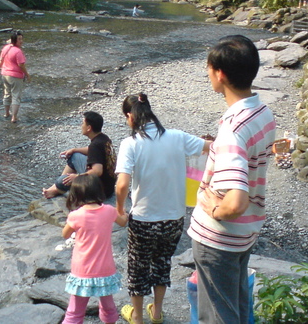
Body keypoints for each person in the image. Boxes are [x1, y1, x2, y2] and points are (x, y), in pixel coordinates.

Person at [187, 35, 276, 323]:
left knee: (217, 317)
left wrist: (214, 209)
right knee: (236, 307)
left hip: (219, 238)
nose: (207, 74)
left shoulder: (232, 130)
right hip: (245, 233)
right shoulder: (263, 112)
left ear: (220, 74)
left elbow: (235, 201)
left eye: (208, 69)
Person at [115, 94, 210, 324]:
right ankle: (156, 313)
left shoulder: (131, 143)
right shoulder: (177, 137)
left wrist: (119, 211)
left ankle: (137, 317)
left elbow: (122, 184)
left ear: (130, 116)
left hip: (144, 219)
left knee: (138, 266)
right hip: (174, 217)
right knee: (162, 262)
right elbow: (210, 147)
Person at [61, 174, 128, 324]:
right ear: (99, 190)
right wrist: (125, 212)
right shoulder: (109, 211)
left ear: (77, 194)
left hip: (82, 269)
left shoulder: (75, 215)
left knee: (75, 310)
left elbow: (65, 234)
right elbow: (123, 221)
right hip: (105, 268)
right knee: (108, 307)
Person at [42, 111, 116, 199]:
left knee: (60, 182)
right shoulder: (104, 138)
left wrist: (77, 177)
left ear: (89, 128)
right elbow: (93, 151)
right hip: (108, 187)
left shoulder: (95, 145)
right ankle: (55, 188)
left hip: (100, 191)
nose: (81, 126)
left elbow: (97, 171)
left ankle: (56, 189)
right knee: (74, 156)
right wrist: (74, 150)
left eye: (83, 123)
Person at [0, 31, 30, 123]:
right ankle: (14, 117)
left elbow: (0, 61)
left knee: (7, 94)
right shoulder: (18, 51)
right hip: (16, 76)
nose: (21, 41)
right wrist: (27, 75)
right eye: (19, 39)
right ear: (14, 40)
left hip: (5, 75)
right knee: (16, 96)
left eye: (21, 39)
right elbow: (21, 65)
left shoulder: (6, 48)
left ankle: (6, 113)